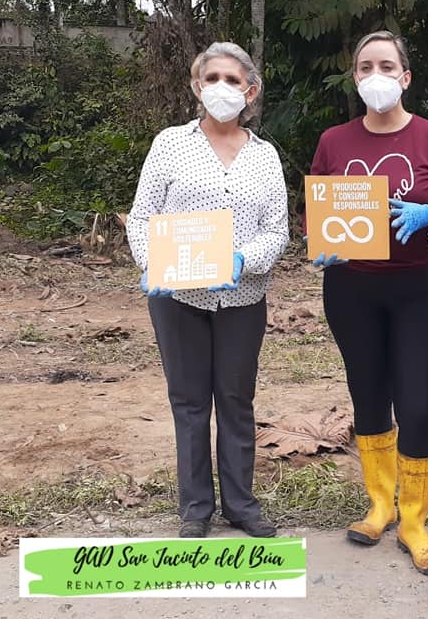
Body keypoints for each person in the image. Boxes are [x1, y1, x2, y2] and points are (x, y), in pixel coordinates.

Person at [308, 30, 428, 575]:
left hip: (420, 288)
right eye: (364, 67)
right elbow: (317, 208)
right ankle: (380, 505)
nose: (374, 75)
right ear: (354, 77)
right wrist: (320, 241)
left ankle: (415, 522)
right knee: (368, 395)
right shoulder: (334, 141)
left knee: (419, 403)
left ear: (405, 77)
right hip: (351, 290)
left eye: (385, 65)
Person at [127, 41, 289, 539]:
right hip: (178, 298)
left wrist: (244, 260)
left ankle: (241, 504)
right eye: (212, 78)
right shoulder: (170, 144)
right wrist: (151, 263)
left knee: (236, 400)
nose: (222, 87)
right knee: (190, 401)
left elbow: (277, 230)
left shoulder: (265, 156)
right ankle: (196, 507)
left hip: (242, 297)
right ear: (197, 87)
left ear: (250, 92)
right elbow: (141, 216)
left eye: (232, 80)